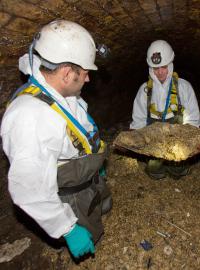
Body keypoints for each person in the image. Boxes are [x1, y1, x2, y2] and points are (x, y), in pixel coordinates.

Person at [0, 20, 112, 259]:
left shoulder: (61, 91)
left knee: (100, 208)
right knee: (90, 233)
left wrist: (95, 165)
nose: (88, 79)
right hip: (70, 195)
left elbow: (76, 129)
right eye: (84, 74)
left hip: (86, 177)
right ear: (66, 72)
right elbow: (30, 189)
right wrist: (68, 229)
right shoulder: (29, 118)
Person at [130, 40, 200, 180]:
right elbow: (138, 121)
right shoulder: (145, 90)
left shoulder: (184, 87)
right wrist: (140, 145)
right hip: (154, 144)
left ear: (170, 64)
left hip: (177, 142)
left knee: (178, 171)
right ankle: (156, 168)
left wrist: (187, 145)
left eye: (163, 67)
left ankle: (179, 169)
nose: (160, 72)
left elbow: (194, 120)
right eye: (156, 68)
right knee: (155, 172)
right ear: (151, 68)